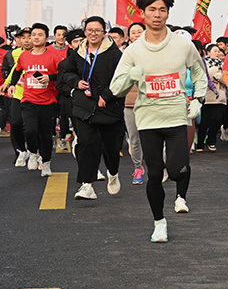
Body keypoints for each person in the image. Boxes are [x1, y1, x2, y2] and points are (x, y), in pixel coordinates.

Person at [110, 0, 207, 242]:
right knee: (154, 174)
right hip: (148, 119)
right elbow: (115, 88)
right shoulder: (132, 51)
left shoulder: (183, 45)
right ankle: (159, 222)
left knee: (176, 170)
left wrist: (198, 98)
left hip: (177, 117)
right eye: (152, 10)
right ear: (143, 14)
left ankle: (179, 186)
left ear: (167, 14)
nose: (157, 14)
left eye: (162, 10)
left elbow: (199, 73)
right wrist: (132, 75)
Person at [59, 17, 125, 199]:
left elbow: (122, 78)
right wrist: (75, 82)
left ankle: (113, 173)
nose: (93, 33)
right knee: (86, 143)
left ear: (104, 33)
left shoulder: (115, 54)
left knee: (110, 147)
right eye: (89, 30)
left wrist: (107, 95)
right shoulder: (79, 52)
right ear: (85, 31)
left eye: (97, 30)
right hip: (84, 106)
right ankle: (86, 185)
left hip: (109, 107)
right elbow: (67, 71)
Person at [1, 23, 67, 176]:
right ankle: (32, 152)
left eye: (40, 35)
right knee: (29, 130)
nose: (36, 38)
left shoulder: (54, 56)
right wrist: (11, 85)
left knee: (45, 134)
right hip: (28, 100)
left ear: (46, 37)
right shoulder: (25, 55)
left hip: (48, 102)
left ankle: (45, 163)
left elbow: (64, 75)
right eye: (34, 35)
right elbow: (17, 71)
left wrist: (49, 77)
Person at [122, 22, 146, 183]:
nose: (136, 34)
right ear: (128, 36)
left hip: (151, 102)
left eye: (139, 31)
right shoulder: (123, 55)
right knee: (134, 138)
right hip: (130, 102)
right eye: (133, 32)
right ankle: (138, 168)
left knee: (153, 137)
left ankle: (159, 166)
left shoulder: (154, 51)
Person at [2, 28, 30, 165]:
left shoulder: (41, 54)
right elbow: (15, 69)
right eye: (22, 37)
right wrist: (7, 83)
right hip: (18, 93)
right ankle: (20, 151)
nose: (26, 40)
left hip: (35, 95)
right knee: (15, 122)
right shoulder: (14, 53)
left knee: (33, 127)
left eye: (29, 37)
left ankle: (35, 152)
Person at [196, 43, 228, 151]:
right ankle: (200, 143)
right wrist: (213, 72)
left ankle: (211, 141)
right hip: (207, 97)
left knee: (217, 119)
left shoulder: (223, 65)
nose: (218, 53)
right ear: (208, 52)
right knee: (204, 121)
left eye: (219, 51)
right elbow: (203, 77)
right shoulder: (204, 64)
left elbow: (227, 80)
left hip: (220, 97)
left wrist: (219, 77)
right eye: (215, 51)